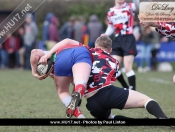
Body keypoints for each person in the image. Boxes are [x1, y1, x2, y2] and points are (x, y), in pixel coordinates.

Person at [40, 36, 168, 120]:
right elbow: (111, 80)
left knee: (109, 118)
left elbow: (68, 46)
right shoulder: (113, 60)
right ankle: (164, 120)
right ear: (110, 49)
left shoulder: (85, 52)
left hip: (92, 103)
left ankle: (79, 105)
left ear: (95, 46)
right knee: (145, 100)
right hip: (106, 92)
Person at [30, 39, 92, 118]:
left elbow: (34, 52)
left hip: (62, 58)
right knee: (80, 83)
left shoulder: (49, 56)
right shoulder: (85, 48)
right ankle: (78, 95)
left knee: (62, 92)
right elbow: (67, 40)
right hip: (81, 53)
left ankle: (80, 116)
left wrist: (34, 72)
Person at [103, 0, 139, 90]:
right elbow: (111, 26)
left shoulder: (130, 6)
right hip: (117, 39)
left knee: (127, 67)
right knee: (113, 67)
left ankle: (133, 91)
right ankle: (126, 87)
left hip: (128, 38)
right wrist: (105, 34)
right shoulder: (111, 11)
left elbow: (138, 6)